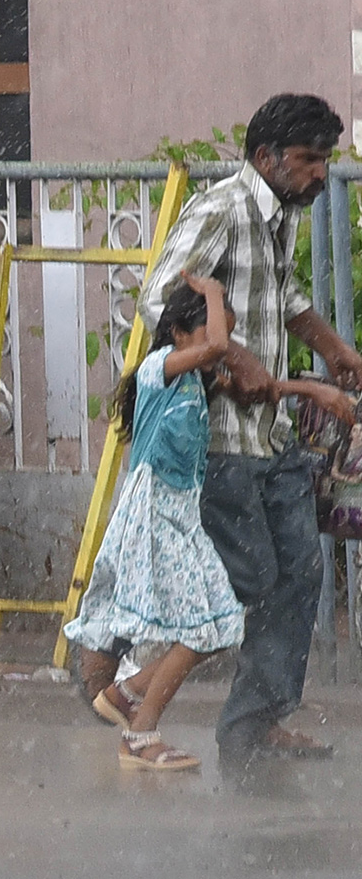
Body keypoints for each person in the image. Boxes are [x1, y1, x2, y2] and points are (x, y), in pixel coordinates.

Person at [78, 93, 362, 764]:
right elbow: (157, 296)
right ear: (267, 158)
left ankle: (254, 724)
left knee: (298, 574)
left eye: (326, 160)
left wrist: (333, 347)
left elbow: (282, 293)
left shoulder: (277, 215)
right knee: (249, 578)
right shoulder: (221, 208)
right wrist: (233, 354)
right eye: (309, 160)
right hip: (220, 441)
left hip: (269, 436)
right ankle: (132, 691)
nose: (321, 174)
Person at [65, 275, 244, 770]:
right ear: (180, 332)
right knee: (202, 628)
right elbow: (218, 345)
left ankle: (129, 694)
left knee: (223, 625)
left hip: (179, 516)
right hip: (153, 515)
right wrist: (211, 290)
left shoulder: (191, 381)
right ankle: (140, 734)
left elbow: (229, 359)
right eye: (208, 334)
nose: (218, 352)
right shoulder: (156, 369)